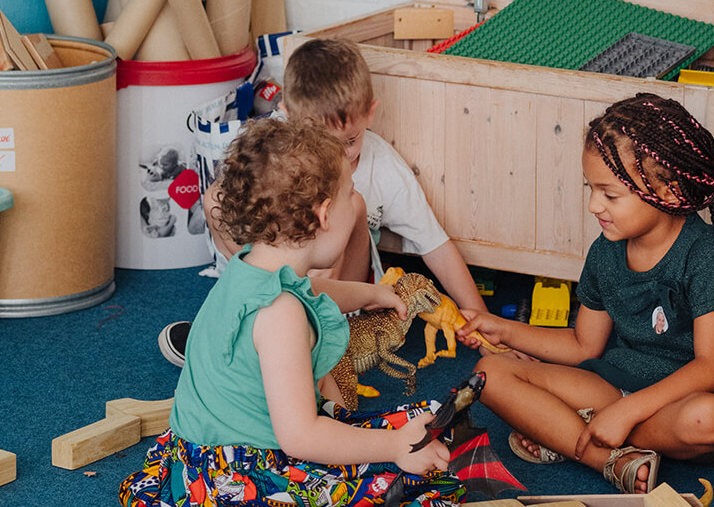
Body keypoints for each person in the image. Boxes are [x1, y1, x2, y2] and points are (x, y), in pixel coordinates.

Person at [120, 117, 465, 507]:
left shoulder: (251, 263)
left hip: (194, 459)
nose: (355, 200)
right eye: (350, 195)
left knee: (426, 425)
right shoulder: (281, 314)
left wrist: (371, 293)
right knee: (415, 473)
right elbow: (300, 436)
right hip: (245, 485)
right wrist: (395, 446)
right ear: (324, 215)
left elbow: (313, 287)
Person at [456, 94, 714, 492]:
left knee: (712, 420)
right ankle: (609, 460)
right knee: (489, 375)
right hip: (615, 385)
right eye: (591, 189)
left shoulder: (706, 253)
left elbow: (710, 369)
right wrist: (504, 331)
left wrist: (627, 412)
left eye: (611, 195)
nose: (595, 205)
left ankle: (565, 433)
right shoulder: (606, 249)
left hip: (687, 399)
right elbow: (583, 346)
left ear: (669, 192)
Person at [158, 37, 485, 367]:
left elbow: (435, 245)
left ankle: (306, 337)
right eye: (320, 142)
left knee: (352, 205)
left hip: (339, 290)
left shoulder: (385, 169)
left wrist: (481, 319)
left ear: (370, 112)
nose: (337, 155)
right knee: (217, 196)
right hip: (273, 276)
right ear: (286, 116)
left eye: (349, 142)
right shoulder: (273, 147)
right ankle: (246, 315)